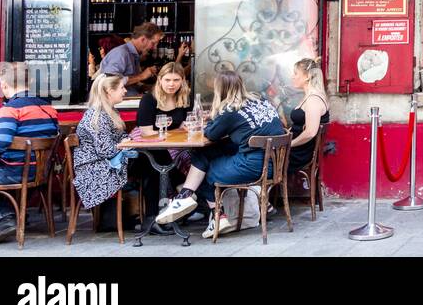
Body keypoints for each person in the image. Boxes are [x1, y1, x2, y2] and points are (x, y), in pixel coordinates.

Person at [155, 70, 285, 238]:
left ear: (220, 90)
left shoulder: (231, 111)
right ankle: (186, 196)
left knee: (204, 171)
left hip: (254, 166)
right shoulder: (260, 101)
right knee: (206, 153)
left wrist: (212, 118)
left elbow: (210, 134)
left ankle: (214, 213)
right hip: (274, 163)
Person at [0, 62, 59, 245]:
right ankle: (4, 216)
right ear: (30, 81)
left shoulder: (10, 110)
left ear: (3, 85)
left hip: (14, 173)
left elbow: (0, 142)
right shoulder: (49, 109)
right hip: (39, 173)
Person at [133, 62, 194, 219]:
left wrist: (185, 128)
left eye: (176, 80)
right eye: (167, 80)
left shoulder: (185, 98)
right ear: (160, 80)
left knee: (195, 159)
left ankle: (185, 201)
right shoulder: (149, 100)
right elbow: (146, 131)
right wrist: (177, 131)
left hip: (173, 144)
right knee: (158, 162)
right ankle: (157, 214)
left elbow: (186, 124)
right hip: (145, 146)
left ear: (182, 81)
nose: (171, 84)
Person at [71, 73, 133, 217]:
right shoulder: (98, 116)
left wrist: (125, 141)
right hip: (94, 169)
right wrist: (123, 143)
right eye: (122, 88)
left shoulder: (110, 112)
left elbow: (121, 137)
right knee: (149, 165)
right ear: (110, 91)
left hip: (104, 163)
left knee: (150, 162)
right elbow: (106, 151)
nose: (125, 91)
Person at [286, 58, 329, 178]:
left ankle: (256, 192)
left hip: (300, 153)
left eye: (295, 74)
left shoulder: (313, 100)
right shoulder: (309, 97)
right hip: (296, 149)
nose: (292, 77)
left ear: (307, 77)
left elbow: (310, 132)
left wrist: (289, 144)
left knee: (260, 157)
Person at [99, 22, 163, 96]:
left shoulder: (133, 55)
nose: (154, 47)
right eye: (153, 43)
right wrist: (142, 76)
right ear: (143, 39)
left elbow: (130, 84)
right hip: (120, 105)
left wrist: (146, 87)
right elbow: (110, 82)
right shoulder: (121, 53)